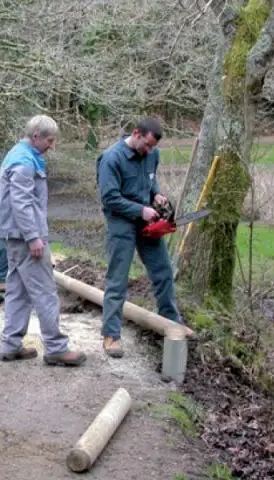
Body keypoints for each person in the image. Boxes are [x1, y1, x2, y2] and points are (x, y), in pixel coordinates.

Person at [0, 114, 87, 367]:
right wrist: (33, 237)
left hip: (13, 236)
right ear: (36, 136)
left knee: (17, 291)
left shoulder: (18, 154)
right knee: (45, 291)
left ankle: (10, 345)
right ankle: (56, 348)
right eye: (49, 140)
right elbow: (21, 203)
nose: (52, 146)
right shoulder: (24, 161)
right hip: (25, 238)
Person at [96, 117, 183, 358]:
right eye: (146, 145)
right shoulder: (111, 159)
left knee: (164, 271)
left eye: (153, 147)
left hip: (147, 221)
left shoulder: (152, 156)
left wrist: (157, 196)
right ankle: (111, 335)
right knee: (118, 279)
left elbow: (151, 182)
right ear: (136, 134)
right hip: (120, 222)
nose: (149, 151)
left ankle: (171, 323)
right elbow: (110, 198)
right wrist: (139, 210)